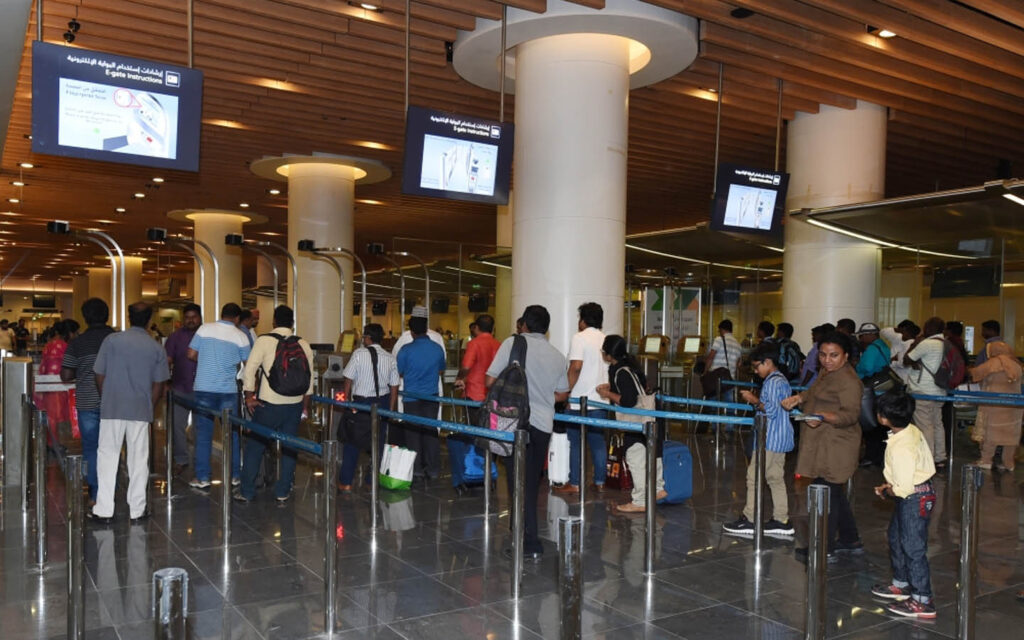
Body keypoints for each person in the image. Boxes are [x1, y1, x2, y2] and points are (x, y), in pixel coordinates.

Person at [486, 305, 570, 560]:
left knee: (515, 481)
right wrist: (542, 396)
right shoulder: (557, 355)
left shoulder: (513, 344)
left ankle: (524, 539)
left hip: (514, 423)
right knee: (531, 483)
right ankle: (527, 537)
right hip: (542, 425)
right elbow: (562, 394)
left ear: (525, 325)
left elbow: (490, 381)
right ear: (546, 328)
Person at [782, 331, 864, 561]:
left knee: (825, 494)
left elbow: (851, 414)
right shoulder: (827, 373)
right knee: (834, 493)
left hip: (836, 446)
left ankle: (823, 548)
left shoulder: (849, 381)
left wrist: (823, 416)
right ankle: (850, 539)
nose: (827, 360)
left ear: (846, 356)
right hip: (823, 442)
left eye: (834, 355)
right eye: (823, 355)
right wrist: (799, 398)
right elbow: (814, 392)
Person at [89, 302, 170, 523]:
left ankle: (104, 509)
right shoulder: (155, 347)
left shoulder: (112, 341)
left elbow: (99, 373)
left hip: (112, 406)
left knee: (107, 456)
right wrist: (149, 404)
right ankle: (137, 509)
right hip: (140, 408)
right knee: (138, 459)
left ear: (128, 317)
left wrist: (107, 396)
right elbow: (159, 383)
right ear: (149, 319)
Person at [236, 305, 314, 503]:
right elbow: (310, 379)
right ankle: (282, 491)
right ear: (292, 324)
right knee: (289, 448)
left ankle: (247, 491)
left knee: (255, 447)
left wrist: (249, 397)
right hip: (294, 405)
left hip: (269, 404)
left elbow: (249, 370)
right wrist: (305, 406)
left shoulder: (264, 340)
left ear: (274, 322)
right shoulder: (303, 343)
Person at [871, 388, 937, 620]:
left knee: (912, 547)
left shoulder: (902, 447)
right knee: (897, 538)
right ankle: (902, 583)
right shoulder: (910, 431)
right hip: (913, 494)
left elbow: (905, 485)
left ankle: (922, 599)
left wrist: (889, 489)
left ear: (884, 418)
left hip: (913, 497)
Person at [724, 342, 795, 536]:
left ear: (768, 362)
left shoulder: (772, 381)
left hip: (769, 438)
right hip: (780, 438)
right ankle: (782, 519)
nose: (756, 371)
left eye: (757, 366)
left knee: (754, 477)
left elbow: (771, 410)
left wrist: (754, 400)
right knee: (775, 478)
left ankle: (750, 518)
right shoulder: (782, 380)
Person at [596, 334, 666, 513]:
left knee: (635, 456)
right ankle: (658, 489)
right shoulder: (630, 366)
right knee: (651, 454)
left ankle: (641, 500)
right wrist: (610, 387)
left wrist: (608, 394)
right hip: (651, 415)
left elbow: (628, 400)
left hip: (637, 420)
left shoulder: (620, 371)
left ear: (608, 355)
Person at [187, 303, 251, 489]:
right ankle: (234, 476)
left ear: (221, 314)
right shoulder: (240, 336)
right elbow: (248, 364)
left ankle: (203, 477)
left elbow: (191, 354)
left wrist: (207, 360)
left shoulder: (204, 329)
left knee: (204, 435)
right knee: (231, 435)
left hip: (204, 389)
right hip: (228, 391)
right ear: (237, 319)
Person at [61, 298, 115, 503]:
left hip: (87, 401)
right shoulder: (116, 339)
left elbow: (66, 375)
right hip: (114, 401)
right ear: (107, 315)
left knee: (91, 447)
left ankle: (96, 493)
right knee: (112, 446)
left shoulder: (78, 342)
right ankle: (111, 491)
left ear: (85, 318)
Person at [337, 323, 400, 492]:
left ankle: (346, 482)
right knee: (378, 443)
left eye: (364, 337)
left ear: (368, 338)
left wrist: (347, 402)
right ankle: (371, 480)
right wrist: (391, 409)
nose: (363, 339)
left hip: (361, 402)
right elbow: (394, 386)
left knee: (352, 442)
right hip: (383, 402)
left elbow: (348, 379)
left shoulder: (358, 354)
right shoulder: (390, 357)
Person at [556, 302, 608, 494]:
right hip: (600, 400)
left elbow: (576, 366)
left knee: (576, 441)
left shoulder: (579, 338)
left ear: (583, 321)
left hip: (579, 399)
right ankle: (600, 481)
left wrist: (566, 390)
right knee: (597, 441)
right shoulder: (605, 339)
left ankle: (575, 483)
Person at [396, 312, 447, 481]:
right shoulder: (437, 348)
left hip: (411, 398)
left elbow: (400, 372)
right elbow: (441, 369)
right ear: (426, 329)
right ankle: (433, 469)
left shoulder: (406, 350)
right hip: (432, 398)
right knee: (431, 433)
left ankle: (416, 469)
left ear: (411, 332)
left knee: (413, 435)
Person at [452, 314, 500, 493]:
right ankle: (490, 472)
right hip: (492, 396)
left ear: (476, 328)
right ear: (492, 328)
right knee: (490, 435)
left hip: (474, 394)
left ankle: (474, 471)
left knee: (473, 434)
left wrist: (459, 380)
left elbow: (466, 366)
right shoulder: (498, 344)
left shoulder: (474, 343)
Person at [968, 340, 1021, 472]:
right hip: (1014, 406)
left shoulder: (993, 363)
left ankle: (986, 460)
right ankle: (1009, 463)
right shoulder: (1017, 364)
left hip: (994, 404)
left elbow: (975, 374)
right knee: (1011, 435)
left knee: (990, 434)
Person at [903, 317, 948, 468]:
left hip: (923, 391)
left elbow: (907, 359)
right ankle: (940, 457)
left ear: (928, 328)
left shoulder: (927, 344)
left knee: (925, 426)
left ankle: (927, 459)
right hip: (940, 390)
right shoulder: (946, 344)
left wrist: (916, 341)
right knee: (937, 424)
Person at [164, 303, 201, 476]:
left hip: (202, 388)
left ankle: (200, 461)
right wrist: (164, 383)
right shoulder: (175, 337)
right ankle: (181, 459)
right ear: (183, 319)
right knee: (177, 426)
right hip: (180, 387)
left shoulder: (207, 336)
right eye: (187, 317)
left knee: (200, 427)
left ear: (200, 317)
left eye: (194, 317)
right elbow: (167, 361)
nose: (191, 320)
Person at [35, 319, 73, 453]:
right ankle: (56, 444)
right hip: (59, 385)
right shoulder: (64, 346)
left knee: (51, 415)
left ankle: (50, 442)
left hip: (47, 384)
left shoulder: (49, 345)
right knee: (59, 415)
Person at [703, 319, 742, 397]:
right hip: (730, 379)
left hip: (716, 378)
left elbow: (711, 357)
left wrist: (705, 371)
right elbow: (739, 364)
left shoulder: (719, 339)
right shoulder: (738, 344)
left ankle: (713, 409)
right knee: (729, 404)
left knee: (713, 401)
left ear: (721, 329)